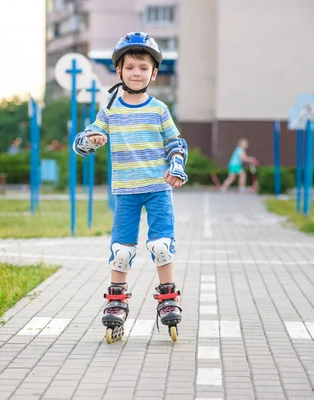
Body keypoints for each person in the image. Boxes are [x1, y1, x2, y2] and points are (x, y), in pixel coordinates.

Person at [72, 32, 189, 342]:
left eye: (143, 67)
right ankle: (117, 300)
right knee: (121, 251)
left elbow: (175, 143)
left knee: (161, 246)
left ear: (153, 73)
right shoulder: (109, 109)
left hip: (157, 189)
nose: (136, 73)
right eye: (130, 67)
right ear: (119, 71)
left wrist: (176, 166)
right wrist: (90, 141)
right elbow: (82, 142)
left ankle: (167, 298)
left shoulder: (159, 109)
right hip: (125, 191)